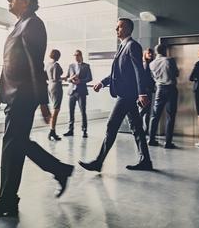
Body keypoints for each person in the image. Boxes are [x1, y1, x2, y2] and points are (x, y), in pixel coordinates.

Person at [0, 0, 74, 218]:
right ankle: (57, 171)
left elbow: (34, 65)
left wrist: (43, 101)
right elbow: (10, 62)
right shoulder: (20, 24)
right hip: (14, 94)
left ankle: (6, 200)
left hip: (23, 95)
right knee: (17, 144)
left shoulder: (34, 25)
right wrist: (0, 93)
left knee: (12, 145)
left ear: (27, 2)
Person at [78, 18, 153, 172]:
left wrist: (142, 93)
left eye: (119, 27)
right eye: (116, 27)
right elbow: (116, 73)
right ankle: (146, 160)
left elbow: (139, 71)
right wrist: (103, 82)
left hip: (127, 95)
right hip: (126, 94)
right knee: (137, 128)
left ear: (127, 29)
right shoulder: (122, 46)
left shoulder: (133, 46)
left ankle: (98, 162)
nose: (116, 29)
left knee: (111, 125)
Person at [148, 44, 179, 148]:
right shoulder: (169, 60)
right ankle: (168, 142)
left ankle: (151, 139)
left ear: (156, 52)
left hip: (159, 90)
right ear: (165, 50)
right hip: (171, 89)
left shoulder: (151, 64)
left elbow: (153, 77)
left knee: (155, 115)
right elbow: (176, 73)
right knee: (170, 116)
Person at [62, 50, 93, 138]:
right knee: (71, 112)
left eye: (77, 55)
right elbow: (67, 78)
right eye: (74, 55)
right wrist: (70, 79)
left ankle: (84, 131)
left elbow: (90, 78)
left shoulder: (86, 66)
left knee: (83, 111)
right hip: (72, 91)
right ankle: (70, 130)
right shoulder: (71, 66)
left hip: (81, 92)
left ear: (81, 56)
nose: (76, 56)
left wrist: (80, 81)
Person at [45, 49, 64, 141]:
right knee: (56, 110)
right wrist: (66, 78)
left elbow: (46, 76)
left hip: (50, 86)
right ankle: (52, 131)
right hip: (56, 87)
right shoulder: (56, 65)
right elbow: (57, 77)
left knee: (54, 109)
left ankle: (52, 131)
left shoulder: (48, 65)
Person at [140, 48, 155, 136]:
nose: (150, 55)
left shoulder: (150, 64)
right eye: (148, 53)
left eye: (151, 53)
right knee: (144, 110)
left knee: (147, 111)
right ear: (145, 54)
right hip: (146, 90)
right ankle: (139, 127)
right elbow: (144, 79)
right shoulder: (145, 64)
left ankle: (145, 130)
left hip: (148, 90)